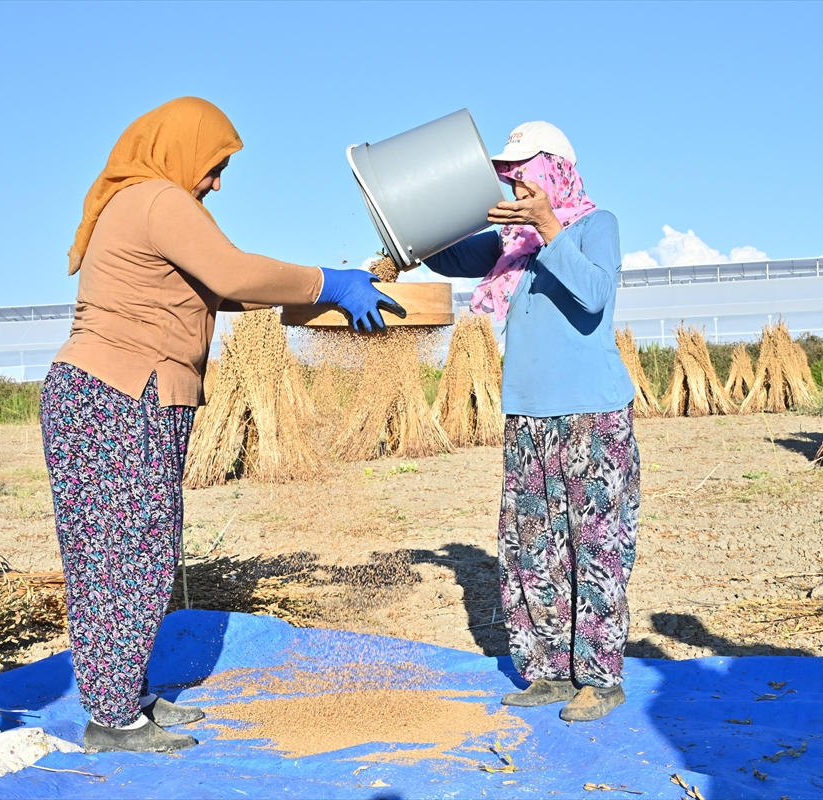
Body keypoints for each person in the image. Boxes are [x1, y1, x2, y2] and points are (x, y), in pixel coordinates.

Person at [42, 97, 397, 754]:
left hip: (103, 394)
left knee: (109, 557)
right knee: (131, 556)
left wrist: (318, 292)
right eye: (214, 165)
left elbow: (222, 288)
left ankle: (122, 697)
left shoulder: (144, 203)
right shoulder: (157, 198)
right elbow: (232, 272)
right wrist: (329, 280)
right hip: (121, 396)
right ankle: (115, 720)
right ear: (182, 150)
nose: (216, 181)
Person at [422, 121, 640, 722]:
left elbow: (593, 296)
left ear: (557, 170)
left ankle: (599, 678)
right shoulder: (509, 245)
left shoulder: (597, 226)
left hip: (591, 413)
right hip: (527, 415)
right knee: (531, 547)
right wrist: (407, 229)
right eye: (507, 172)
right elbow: (445, 251)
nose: (514, 180)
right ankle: (544, 669)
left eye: (524, 169)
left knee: (595, 545)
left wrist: (548, 226)